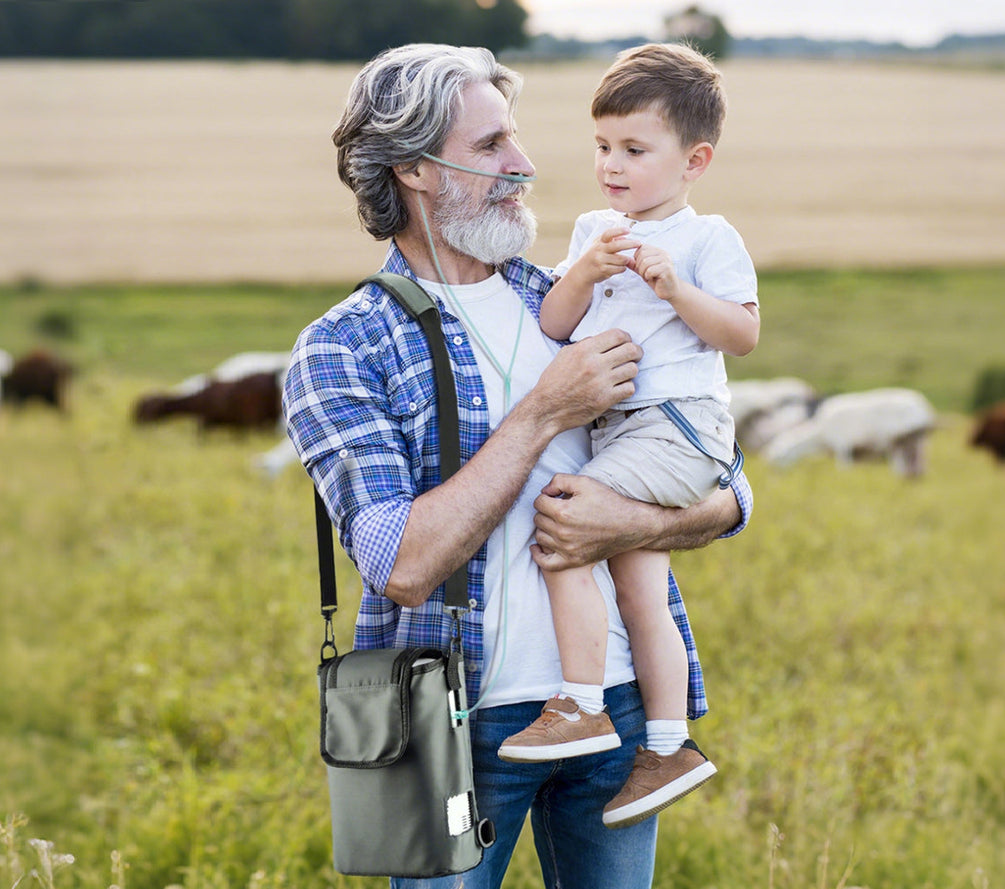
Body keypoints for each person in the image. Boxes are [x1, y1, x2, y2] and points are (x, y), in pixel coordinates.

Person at [283, 43, 754, 889]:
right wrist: (546, 410)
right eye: (492, 145)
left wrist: (636, 523)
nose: (526, 165)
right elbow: (401, 562)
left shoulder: (569, 291)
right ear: (415, 171)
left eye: (518, 138)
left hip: (614, 712)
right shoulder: (343, 346)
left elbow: (727, 483)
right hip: (455, 725)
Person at [497, 43, 759, 831]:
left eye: (634, 151)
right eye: (604, 148)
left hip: (679, 427)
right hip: (624, 426)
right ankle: (670, 743)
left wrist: (673, 287)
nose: (612, 166)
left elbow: (741, 337)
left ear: (694, 160)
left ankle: (580, 703)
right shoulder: (591, 227)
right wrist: (583, 271)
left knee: (566, 516)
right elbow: (554, 323)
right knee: (643, 587)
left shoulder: (708, 239)